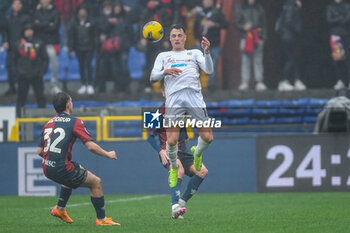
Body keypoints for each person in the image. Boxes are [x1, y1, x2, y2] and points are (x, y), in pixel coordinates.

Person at [37, 92, 120, 226]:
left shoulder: (49, 123)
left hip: (47, 167)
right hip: (61, 168)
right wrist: (108, 154)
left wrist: (53, 161)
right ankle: (102, 220)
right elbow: (91, 147)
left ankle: (60, 209)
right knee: (96, 183)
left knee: (76, 169)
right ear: (68, 104)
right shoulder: (75, 122)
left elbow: (39, 151)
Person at [150, 24, 214, 189]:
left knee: (208, 138)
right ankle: (173, 168)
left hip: (194, 97)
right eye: (173, 36)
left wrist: (207, 53)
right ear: (169, 38)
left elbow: (209, 69)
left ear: (185, 37)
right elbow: (152, 77)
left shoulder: (195, 53)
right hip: (175, 100)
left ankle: (197, 153)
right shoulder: (163, 56)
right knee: (171, 142)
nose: (177, 38)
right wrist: (165, 72)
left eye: (179, 35)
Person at [147, 101, 208, 219]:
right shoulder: (154, 113)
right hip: (168, 151)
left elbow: (185, 136)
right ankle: (175, 207)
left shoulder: (181, 112)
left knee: (203, 171)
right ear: (164, 93)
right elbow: (149, 137)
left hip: (183, 153)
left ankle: (181, 202)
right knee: (179, 170)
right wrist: (160, 150)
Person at [12, 23, 48, 117]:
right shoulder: (18, 44)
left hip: (37, 75)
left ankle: (42, 117)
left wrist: (42, 72)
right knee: (21, 98)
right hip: (23, 75)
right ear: (24, 32)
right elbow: (13, 60)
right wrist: (17, 73)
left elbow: (45, 59)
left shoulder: (39, 43)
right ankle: (19, 118)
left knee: (40, 97)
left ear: (33, 31)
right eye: (27, 30)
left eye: (31, 29)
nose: (29, 32)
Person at [195, 0, 228, 89]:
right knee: (198, 65)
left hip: (214, 44)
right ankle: (198, 85)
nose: (207, 2)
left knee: (212, 65)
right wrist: (196, 39)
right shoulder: (200, 13)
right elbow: (195, 26)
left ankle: (211, 86)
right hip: (201, 44)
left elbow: (225, 24)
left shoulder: (216, 12)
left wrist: (215, 24)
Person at [235, 0, 267, 91]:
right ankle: (244, 82)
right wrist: (243, 27)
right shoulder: (242, 9)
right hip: (246, 37)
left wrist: (263, 37)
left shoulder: (260, 9)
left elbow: (264, 24)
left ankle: (259, 82)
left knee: (258, 60)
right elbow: (237, 23)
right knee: (245, 61)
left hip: (257, 36)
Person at [276, 0, 306, 91]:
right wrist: (297, 30)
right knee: (291, 59)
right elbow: (290, 21)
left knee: (294, 59)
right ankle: (284, 81)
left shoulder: (290, 6)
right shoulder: (290, 6)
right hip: (290, 37)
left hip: (289, 36)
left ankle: (296, 80)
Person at [2, 0, 30, 96]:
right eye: (15, 4)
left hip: (21, 47)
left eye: (19, 4)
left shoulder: (26, 17)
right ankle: (12, 87)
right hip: (10, 47)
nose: (17, 6)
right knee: (10, 67)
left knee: (21, 68)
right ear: (12, 5)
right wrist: (5, 41)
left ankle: (22, 88)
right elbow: (4, 30)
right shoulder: (8, 17)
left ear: (22, 5)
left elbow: (28, 31)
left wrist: (24, 42)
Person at [33, 0, 61, 94]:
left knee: (54, 64)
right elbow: (34, 26)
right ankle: (40, 86)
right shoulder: (36, 12)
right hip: (40, 43)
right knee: (39, 64)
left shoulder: (55, 12)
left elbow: (55, 27)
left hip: (51, 42)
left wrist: (41, 24)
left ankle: (54, 85)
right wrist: (48, 23)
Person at [68, 5, 96, 95]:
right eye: (81, 11)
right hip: (79, 48)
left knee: (88, 65)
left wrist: (94, 46)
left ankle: (90, 84)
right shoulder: (74, 23)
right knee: (81, 66)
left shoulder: (91, 22)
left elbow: (94, 35)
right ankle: (83, 84)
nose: (82, 13)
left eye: (84, 11)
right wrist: (71, 48)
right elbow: (71, 36)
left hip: (89, 48)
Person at [326, 0, 350, 90]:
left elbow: (348, 18)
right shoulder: (330, 7)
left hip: (347, 35)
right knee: (338, 59)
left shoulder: (347, 6)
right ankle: (341, 80)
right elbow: (329, 19)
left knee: (348, 58)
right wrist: (341, 18)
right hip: (336, 36)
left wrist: (337, 18)